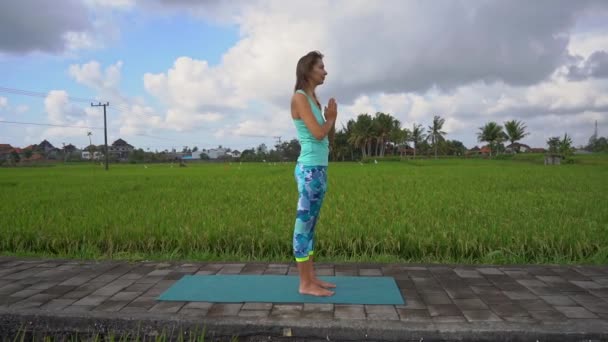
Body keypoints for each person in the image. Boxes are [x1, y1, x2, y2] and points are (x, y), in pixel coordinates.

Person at [290, 51, 337, 297]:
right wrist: (329, 120)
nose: (325, 71)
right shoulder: (299, 98)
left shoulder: (313, 99)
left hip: (319, 169)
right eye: (321, 67)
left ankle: (311, 279)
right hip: (309, 171)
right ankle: (304, 284)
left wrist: (331, 120)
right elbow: (319, 134)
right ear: (308, 70)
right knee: (302, 227)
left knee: (310, 227)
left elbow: (327, 137)